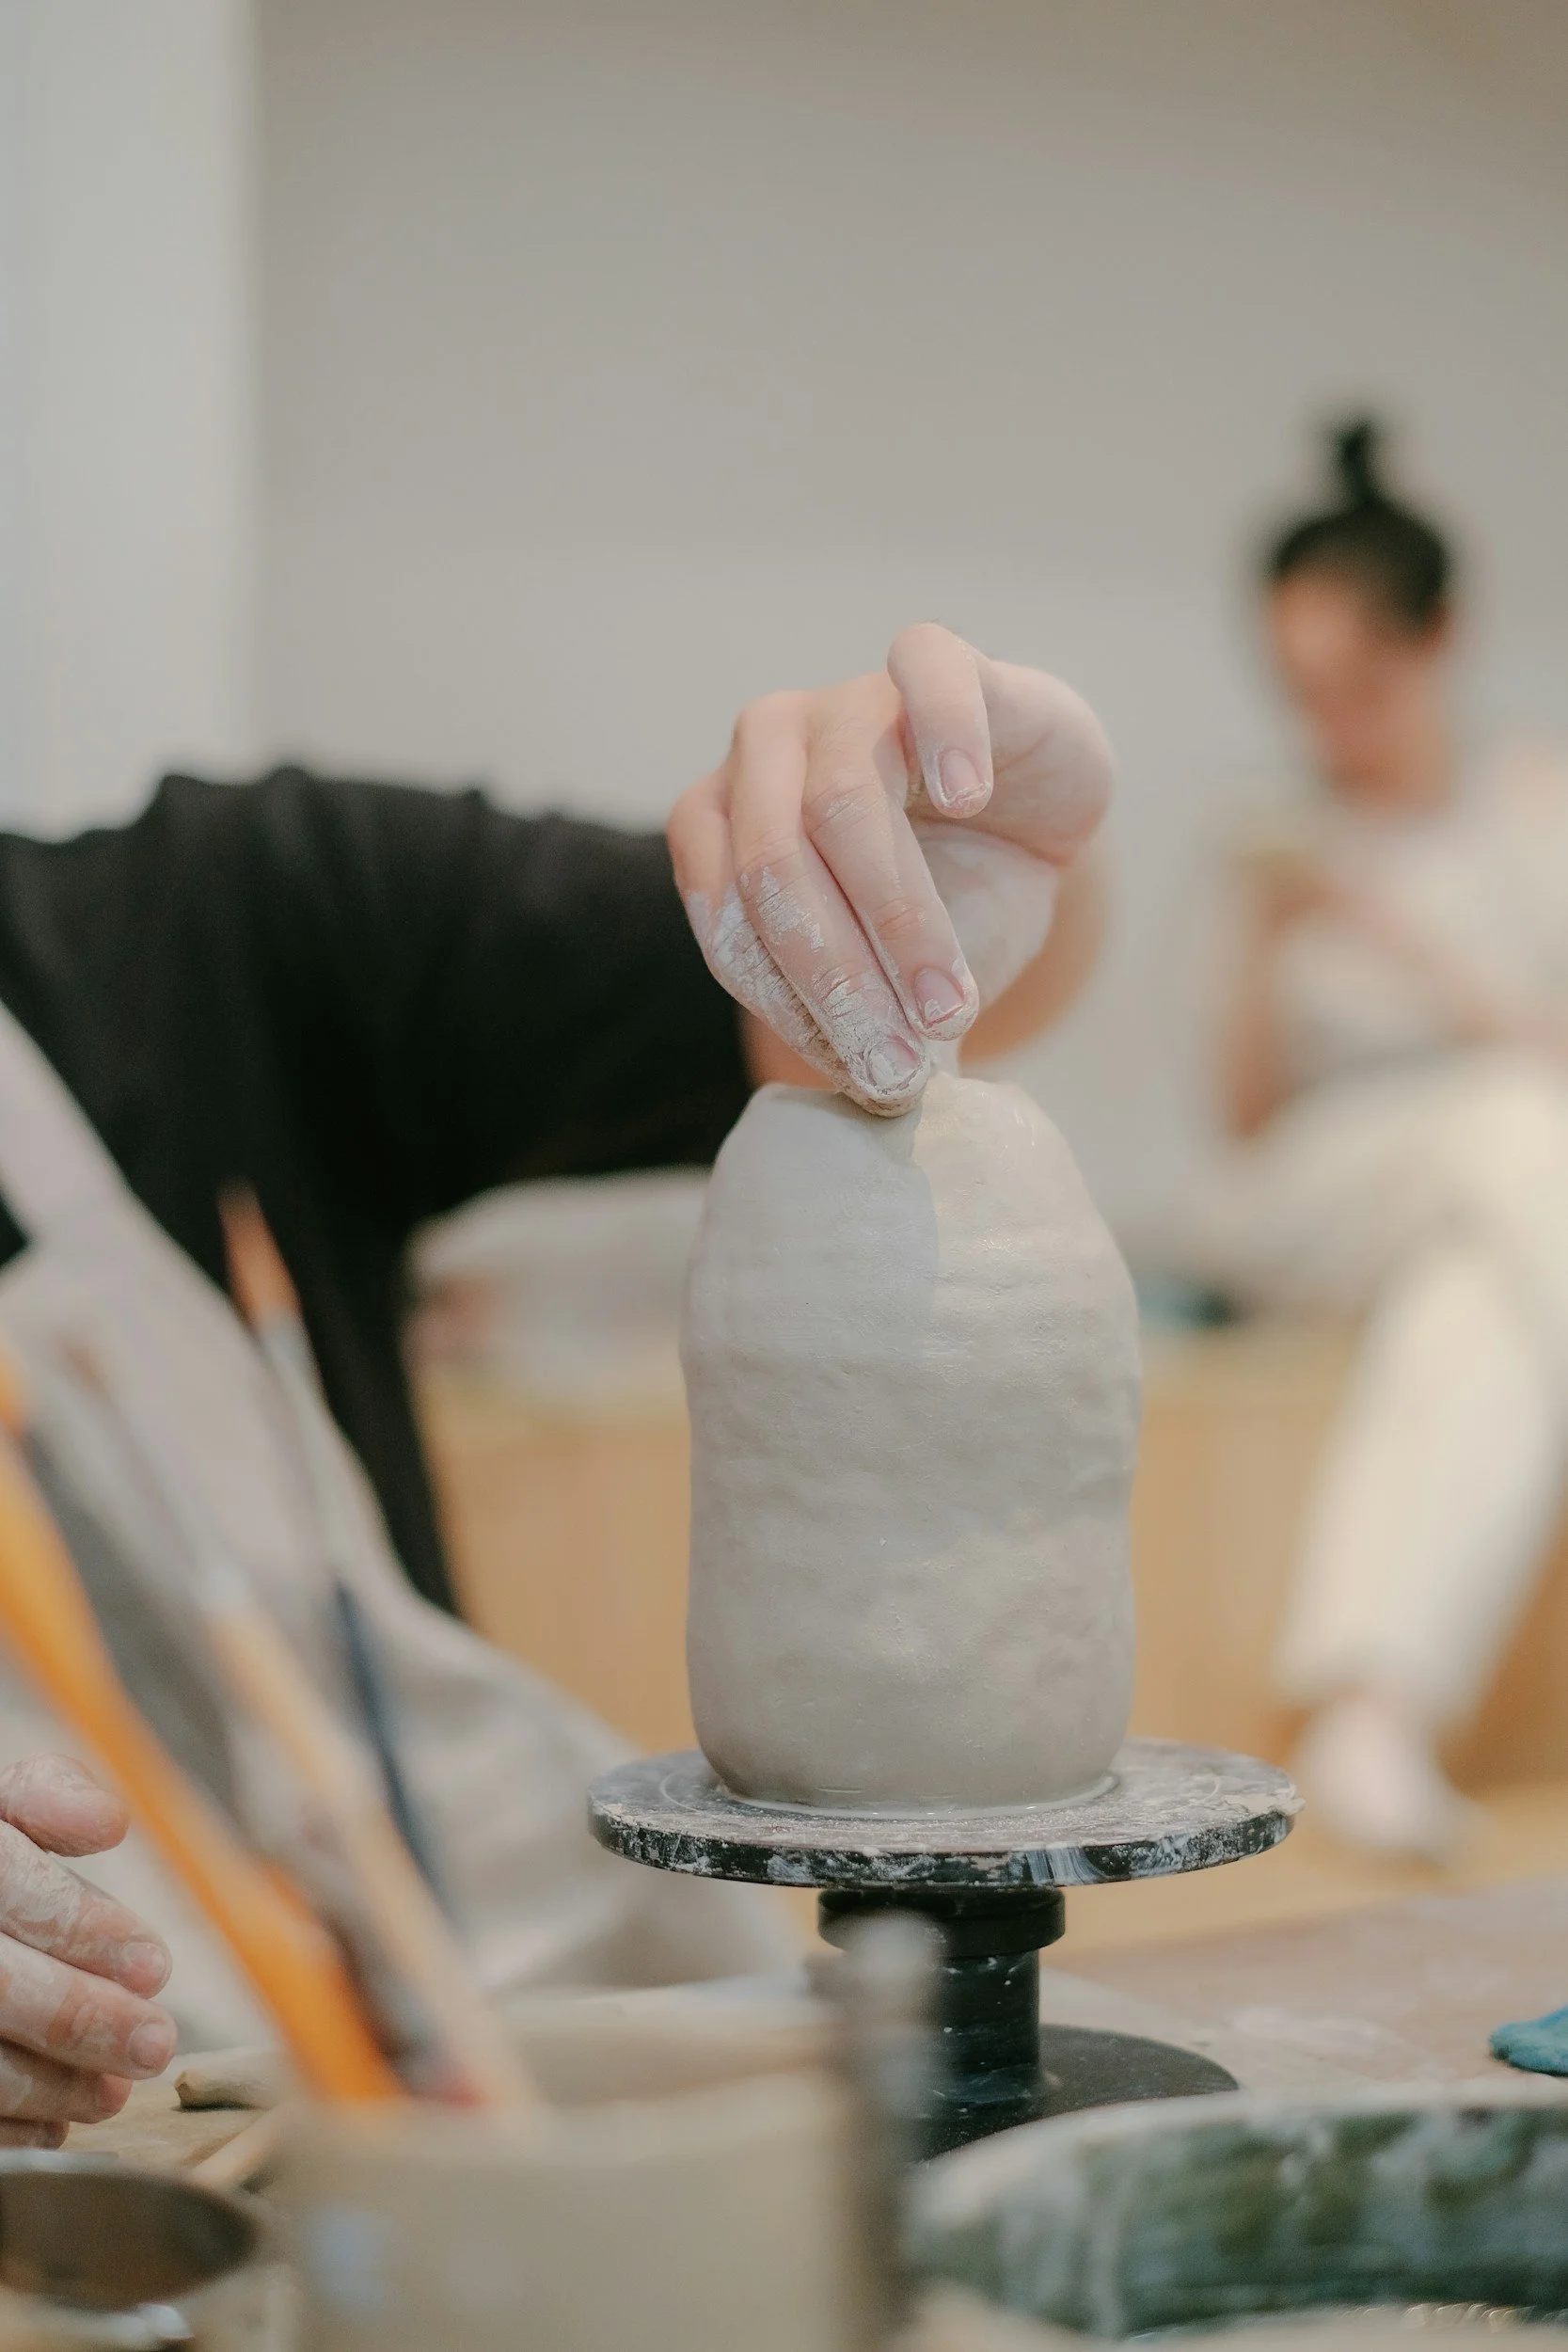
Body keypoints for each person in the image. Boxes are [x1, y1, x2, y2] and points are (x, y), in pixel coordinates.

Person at [0, 622, 1113, 2144]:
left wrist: (968, 859)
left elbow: (870, 1003)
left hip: (520, 2070)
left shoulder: (209, 928)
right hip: (107, 2184)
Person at [1190, 421, 1568, 1861]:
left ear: (1440, 641)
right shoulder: (1267, 840)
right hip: (1311, 1200)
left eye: (1358, 687)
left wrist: (1395, 933)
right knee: (1514, 1130)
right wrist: (1267, 936)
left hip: (1503, 1197)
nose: (1328, 727)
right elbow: (1241, 1123)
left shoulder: (1528, 806)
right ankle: (1368, 1724)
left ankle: (1369, 1719)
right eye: (1300, 693)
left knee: (1472, 1305)